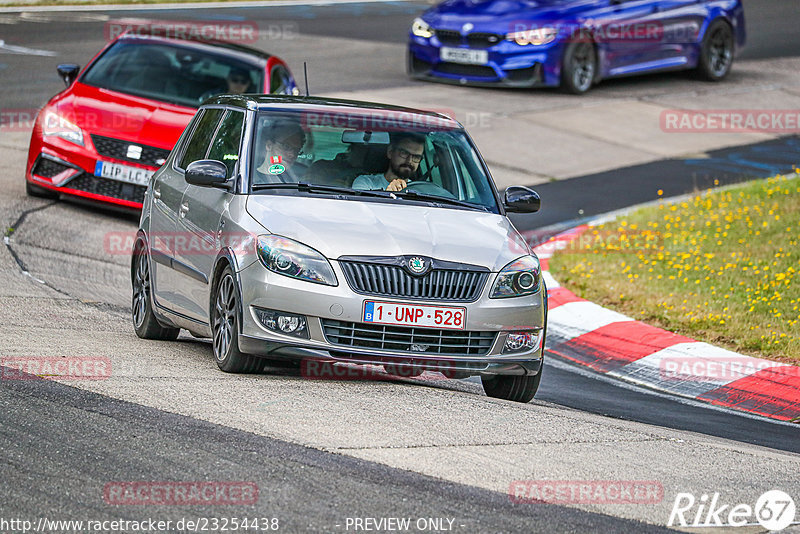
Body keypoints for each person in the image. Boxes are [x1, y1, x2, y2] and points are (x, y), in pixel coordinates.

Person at [352, 133, 425, 192]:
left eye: (416, 157)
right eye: (404, 153)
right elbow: (360, 209)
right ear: (390, 152)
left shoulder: (420, 191)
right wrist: (387, 195)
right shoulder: (366, 183)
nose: (409, 161)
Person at [253, 120, 306, 185]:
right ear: (269, 145)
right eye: (286, 146)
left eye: (297, 150)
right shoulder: (251, 179)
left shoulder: (301, 180)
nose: (292, 154)